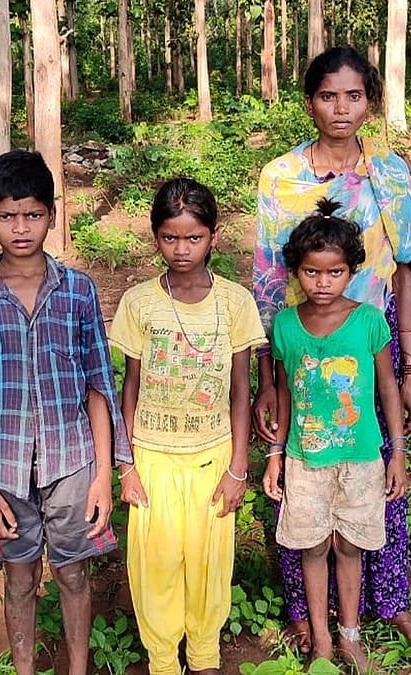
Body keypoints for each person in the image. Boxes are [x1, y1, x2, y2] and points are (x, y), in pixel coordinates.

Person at [251, 46, 411, 651]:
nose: (341, 109)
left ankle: (388, 602)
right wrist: (267, 379)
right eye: (329, 96)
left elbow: (404, 269)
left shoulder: (390, 173)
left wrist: (408, 368)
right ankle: (308, 615)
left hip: (371, 350)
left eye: (354, 96)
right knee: (301, 478)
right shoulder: (280, 178)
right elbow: (267, 281)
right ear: (310, 103)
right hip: (300, 357)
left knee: (375, 476)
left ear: (369, 103)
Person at [0, 150, 131, 675]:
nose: (21, 228)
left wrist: (103, 476)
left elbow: (99, 385)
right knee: (20, 576)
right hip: (3, 471)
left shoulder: (78, 291)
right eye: (6, 216)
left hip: (73, 463)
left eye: (32, 214)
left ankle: (78, 667)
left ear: (52, 214)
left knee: (73, 574)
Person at [109, 177, 267, 675]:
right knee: (155, 565)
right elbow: (130, 386)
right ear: (155, 236)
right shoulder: (139, 302)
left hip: (212, 456)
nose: (182, 249)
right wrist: (126, 465)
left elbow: (240, 390)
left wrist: (238, 467)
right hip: (152, 456)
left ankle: (203, 657)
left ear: (213, 236)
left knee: (208, 564)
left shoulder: (236, 302)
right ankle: (162, 660)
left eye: (193, 237)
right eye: (170, 238)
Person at [262, 201, 409, 672]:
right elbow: (285, 394)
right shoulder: (286, 326)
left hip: (361, 459)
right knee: (312, 548)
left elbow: (388, 388)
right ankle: (321, 640)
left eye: (335, 272)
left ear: (351, 272)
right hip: (305, 461)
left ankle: (350, 635)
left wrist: (397, 451)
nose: (322, 282)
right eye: (311, 272)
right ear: (296, 271)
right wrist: (274, 455)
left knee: (349, 547)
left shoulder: (369, 321)